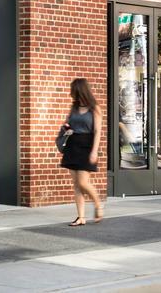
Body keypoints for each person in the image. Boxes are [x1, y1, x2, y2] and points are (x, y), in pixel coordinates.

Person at [60, 78, 104, 226]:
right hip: (73, 145)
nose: (71, 94)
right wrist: (67, 128)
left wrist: (94, 151)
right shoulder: (74, 107)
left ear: (80, 91)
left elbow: (97, 132)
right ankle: (81, 217)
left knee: (83, 182)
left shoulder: (95, 108)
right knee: (76, 185)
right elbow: (67, 123)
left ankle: (98, 203)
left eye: (74, 91)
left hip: (87, 145)